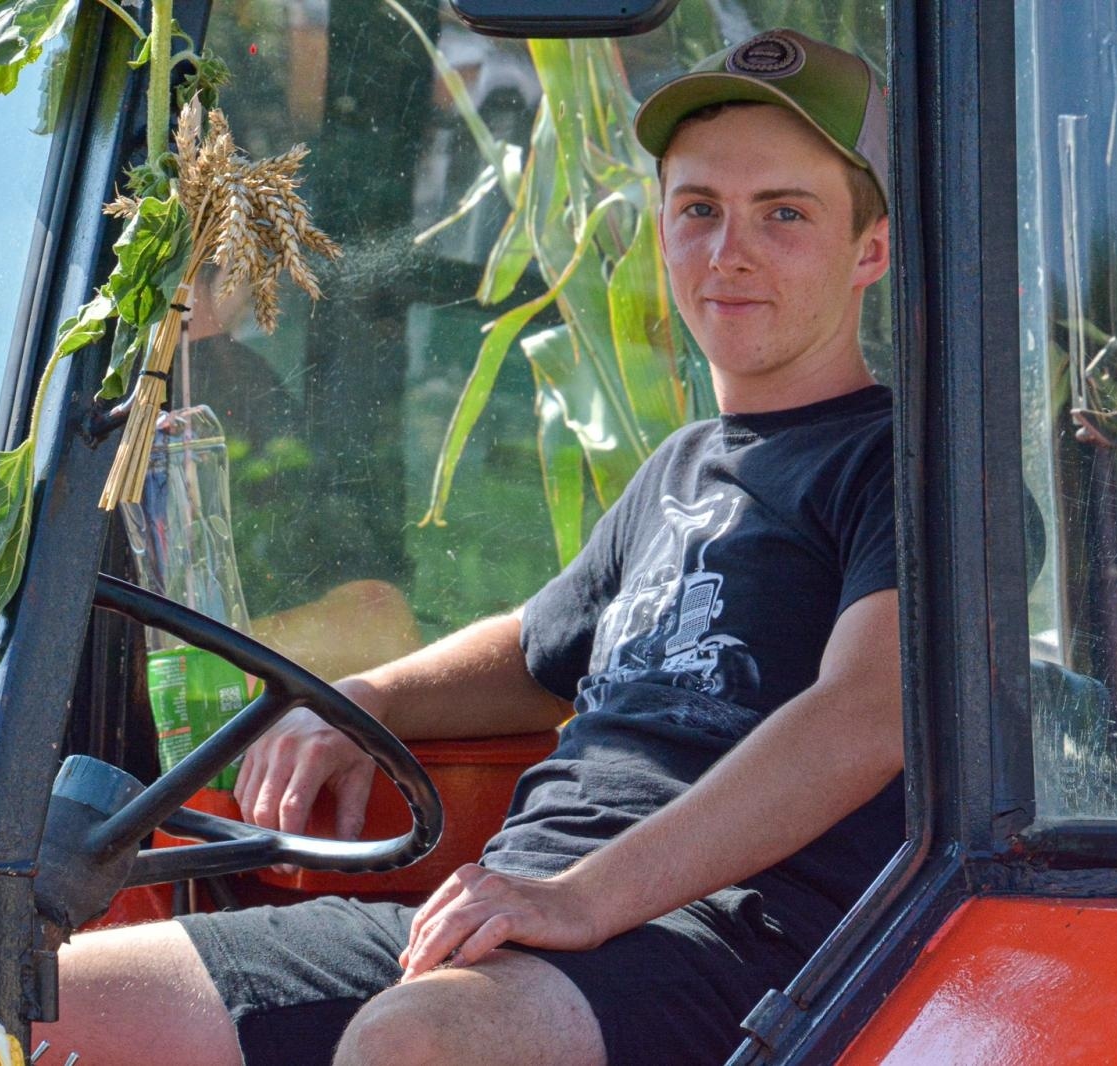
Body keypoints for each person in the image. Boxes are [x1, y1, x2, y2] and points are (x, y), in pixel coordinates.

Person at [44, 28, 901, 1066]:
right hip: (506, 913)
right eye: (699, 210)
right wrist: (363, 701)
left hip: (732, 941)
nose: (729, 250)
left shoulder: (906, 465)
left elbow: (868, 713)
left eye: (784, 214)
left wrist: (579, 900)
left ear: (871, 250)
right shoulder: (678, 470)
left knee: (417, 1044)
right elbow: (536, 648)